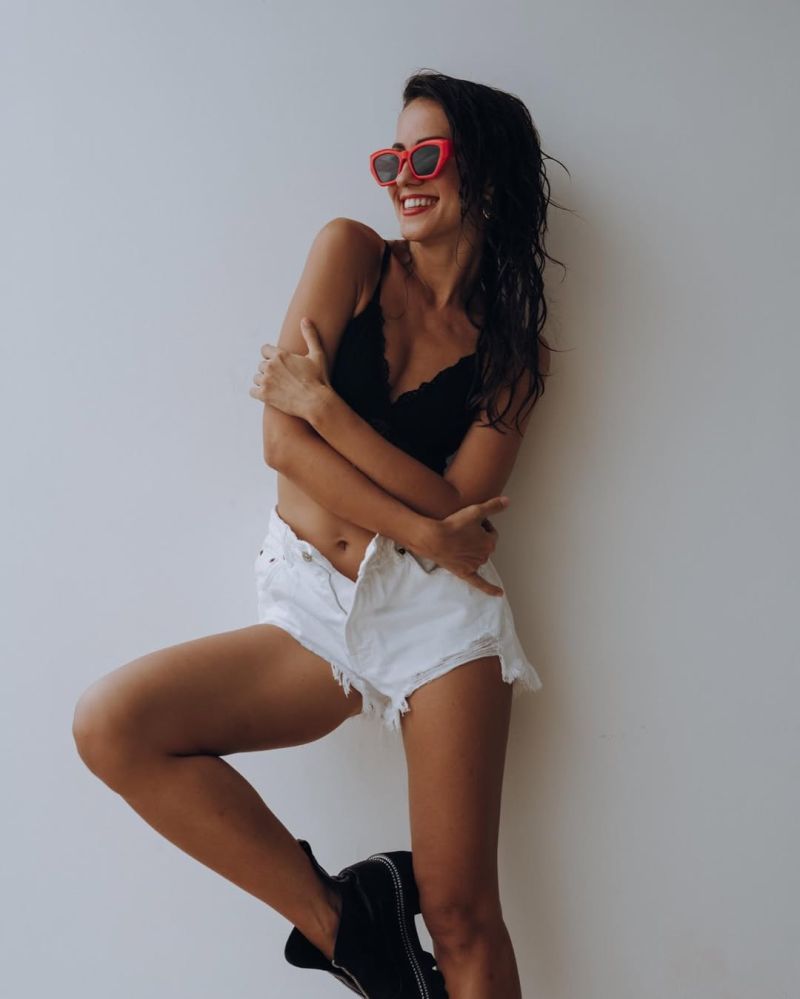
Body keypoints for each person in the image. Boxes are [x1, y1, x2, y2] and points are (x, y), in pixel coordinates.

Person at [72, 69, 563, 999]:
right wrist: (420, 524)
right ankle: (347, 923)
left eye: (427, 155)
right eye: (391, 158)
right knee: (114, 726)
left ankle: (387, 923)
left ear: (488, 175)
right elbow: (280, 446)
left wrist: (328, 411)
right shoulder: (351, 253)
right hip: (312, 606)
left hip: (437, 621)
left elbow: (462, 508)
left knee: (464, 915)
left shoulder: (515, 354)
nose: (402, 175)